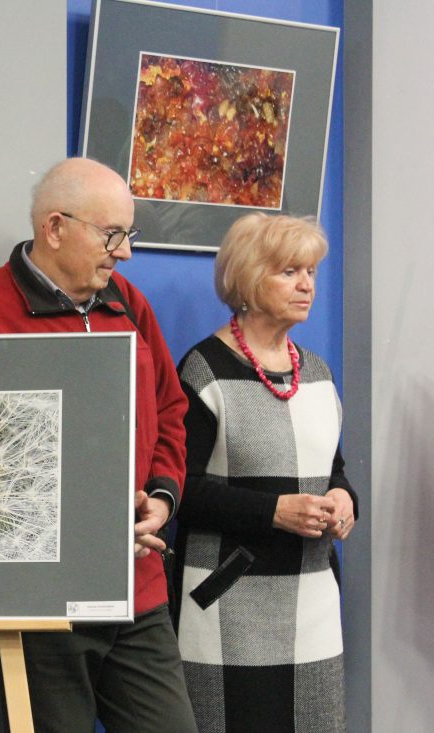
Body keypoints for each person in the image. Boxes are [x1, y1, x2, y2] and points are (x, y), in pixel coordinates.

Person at [0, 157, 196, 732]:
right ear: (55, 228)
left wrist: (162, 498)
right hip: (40, 605)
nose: (125, 252)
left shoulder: (128, 302)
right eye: (112, 235)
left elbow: (169, 408)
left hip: (137, 588)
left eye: (128, 235)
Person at [173, 213, 358, 732]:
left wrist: (346, 500)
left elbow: (334, 470)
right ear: (250, 280)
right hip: (228, 602)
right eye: (289, 272)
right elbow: (180, 489)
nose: (307, 285)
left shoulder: (316, 372)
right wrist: (273, 511)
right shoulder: (203, 370)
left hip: (312, 598)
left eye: (311, 272)